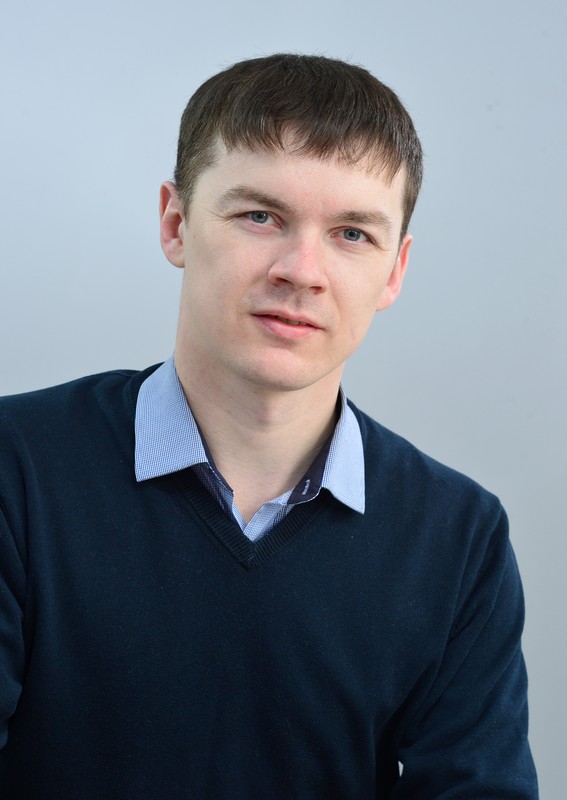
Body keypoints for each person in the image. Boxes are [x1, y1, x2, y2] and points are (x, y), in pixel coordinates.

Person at [0, 54, 538, 798]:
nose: (301, 270)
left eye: (352, 233)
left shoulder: (459, 538)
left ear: (394, 271)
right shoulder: (16, 470)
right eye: (260, 216)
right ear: (176, 224)